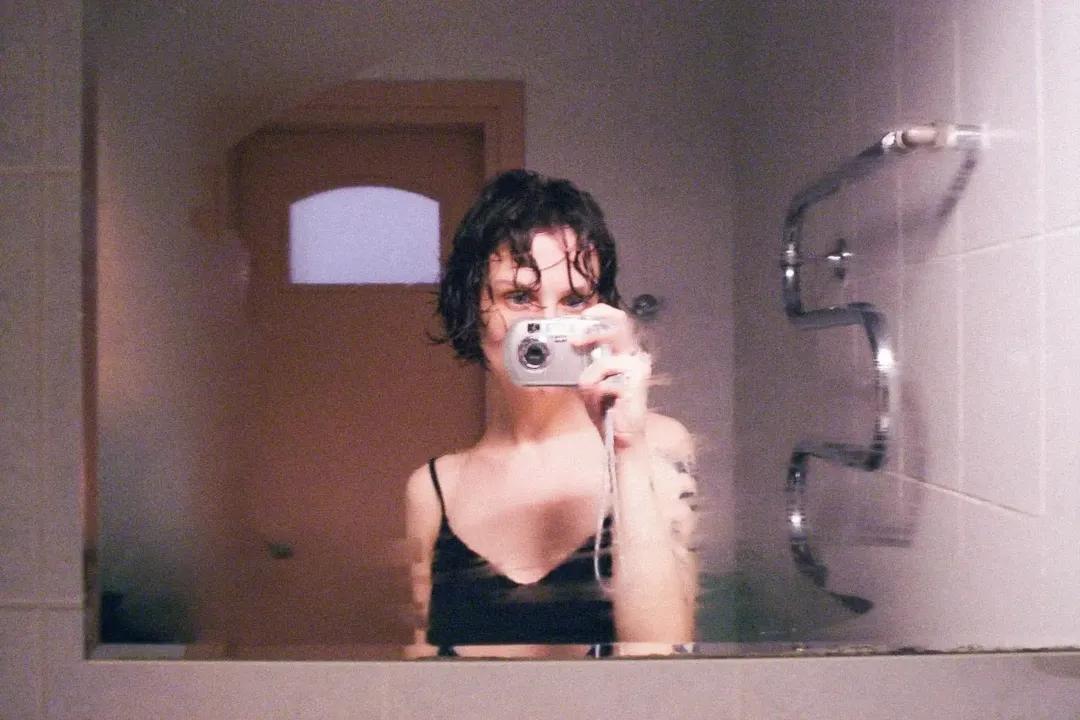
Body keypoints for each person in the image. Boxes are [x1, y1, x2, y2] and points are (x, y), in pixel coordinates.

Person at [404, 169, 698, 657]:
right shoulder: (433, 488)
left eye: (574, 300)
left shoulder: (658, 445)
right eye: (519, 297)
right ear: (471, 308)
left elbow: (664, 661)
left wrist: (626, 447)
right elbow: (419, 674)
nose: (547, 325)